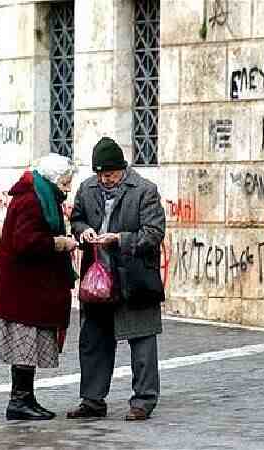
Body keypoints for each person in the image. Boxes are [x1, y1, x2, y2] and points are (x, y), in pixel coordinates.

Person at [67, 136, 166, 421]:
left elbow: (153, 233)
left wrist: (119, 239)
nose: (104, 180)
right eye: (99, 174)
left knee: (142, 340)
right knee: (93, 340)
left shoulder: (145, 190)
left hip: (135, 277)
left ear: (121, 169)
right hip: (97, 277)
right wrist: (82, 231)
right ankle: (93, 400)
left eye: (109, 174)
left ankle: (143, 400)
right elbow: (77, 219)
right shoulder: (86, 188)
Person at [0, 153, 78, 421]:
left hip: (28, 289)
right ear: (51, 180)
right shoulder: (31, 200)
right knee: (24, 347)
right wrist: (59, 243)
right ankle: (19, 401)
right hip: (23, 290)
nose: (67, 188)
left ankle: (25, 398)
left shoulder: (40, 196)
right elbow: (25, 241)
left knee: (26, 348)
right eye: (64, 182)